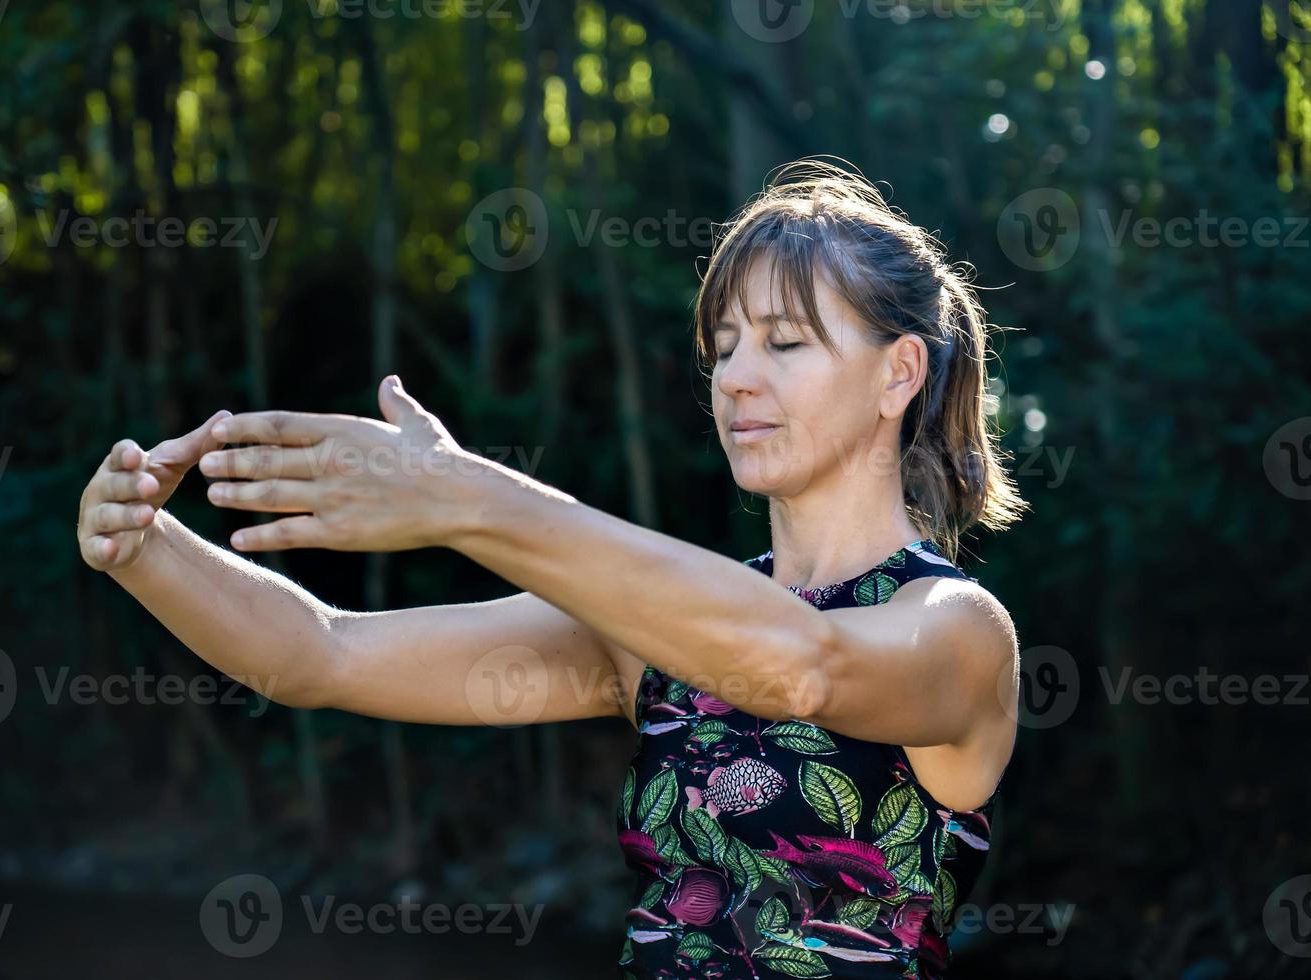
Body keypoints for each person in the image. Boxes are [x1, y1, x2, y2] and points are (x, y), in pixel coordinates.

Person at [75, 158, 1026, 978]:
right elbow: (318, 655)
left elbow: (799, 666)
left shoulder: (956, 630)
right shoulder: (650, 632)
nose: (736, 377)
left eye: (784, 343)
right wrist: (144, 549)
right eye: (724, 345)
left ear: (899, 374)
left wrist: (466, 498)